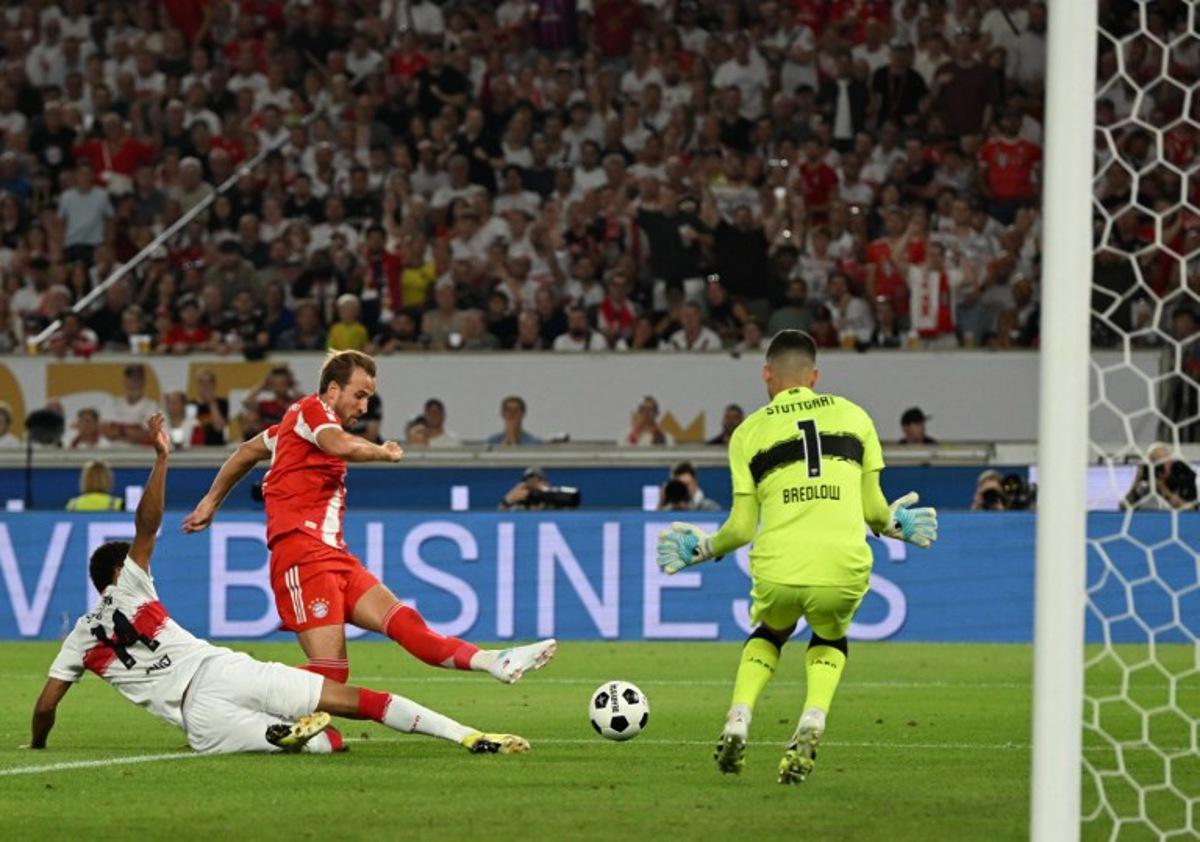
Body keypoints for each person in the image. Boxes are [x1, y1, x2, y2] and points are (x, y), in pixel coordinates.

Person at [31, 414, 530, 757]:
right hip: (222, 670)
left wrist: (37, 744)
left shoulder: (80, 639)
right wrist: (162, 460)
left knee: (324, 744)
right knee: (351, 704)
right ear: (119, 573)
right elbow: (148, 525)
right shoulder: (132, 588)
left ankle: (282, 732)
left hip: (198, 717)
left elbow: (47, 705)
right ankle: (467, 735)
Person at [655, 330, 938, 784]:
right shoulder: (855, 417)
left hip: (779, 566)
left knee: (771, 631)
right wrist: (897, 524)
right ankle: (813, 716)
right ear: (814, 377)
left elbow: (741, 529)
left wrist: (702, 549)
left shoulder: (748, 432)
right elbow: (875, 514)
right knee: (829, 637)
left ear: (767, 375)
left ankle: (739, 716)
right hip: (843, 565)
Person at [184, 352, 556, 686]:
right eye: (359, 395)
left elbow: (246, 452)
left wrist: (210, 502)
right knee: (331, 672)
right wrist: (382, 451)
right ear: (333, 390)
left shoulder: (293, 426)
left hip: (335, 557)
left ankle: (494, 660)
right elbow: (337, 444)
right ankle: (226, 690)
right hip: (302, 554)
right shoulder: (312, 410)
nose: (364, 407)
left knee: (407, 624)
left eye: (369, 398)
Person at [1122, 442, 1198, 511]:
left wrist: (1164, 490)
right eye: (1156, 462)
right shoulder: (1146, 482)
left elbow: (1191, 510)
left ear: (1170, 461)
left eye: (1163, 461)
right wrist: (1137, 480)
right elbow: (1123, 507)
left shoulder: (1182, 475)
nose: (1161, 467)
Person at [103, 364, 157, 445]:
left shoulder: (152, 406)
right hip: (112, 450)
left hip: (139, 451)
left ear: (143, 382)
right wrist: (134, 429)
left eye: (137, 379)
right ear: (125, 381)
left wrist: (118, 429)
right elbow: (106, 432)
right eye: (130, 378)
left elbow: (146, 436)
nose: (134, 382)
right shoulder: (112, 403)